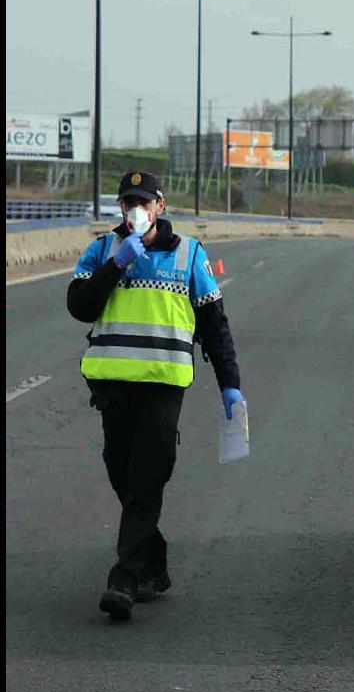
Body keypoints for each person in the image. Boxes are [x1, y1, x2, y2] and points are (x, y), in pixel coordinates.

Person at [67, 171, 244, 622]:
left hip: (164, 386)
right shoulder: (103, 249)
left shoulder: (189, 255)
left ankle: (124, 579)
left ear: (160, 205)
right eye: (128, 203)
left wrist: (230, 385)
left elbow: (214, 325)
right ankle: (155, 562)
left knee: (148, 477)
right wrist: (117, 264)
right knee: (122, 477)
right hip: (112, 385)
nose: (135, 210)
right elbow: (80, 307)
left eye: (143, 202)